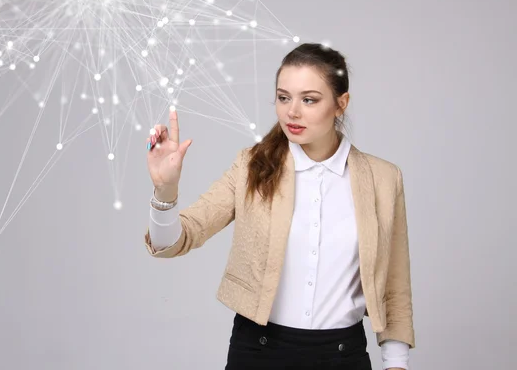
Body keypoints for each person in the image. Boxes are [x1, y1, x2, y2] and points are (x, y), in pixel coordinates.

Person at [143, 43, 415, 370]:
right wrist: (166, 188)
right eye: (284, 97)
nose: (292, 112)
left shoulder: (384, 179)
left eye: (309, 99)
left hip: (343, 356)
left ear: (341, 104)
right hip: (258, 353)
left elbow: (395, 286)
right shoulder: (250, 166)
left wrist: (396, 364)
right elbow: (174, 241)